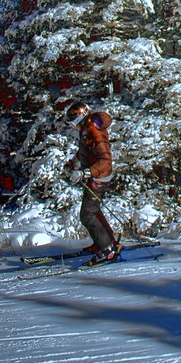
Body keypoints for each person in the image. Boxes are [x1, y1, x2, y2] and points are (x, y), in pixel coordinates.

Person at [65, 100, 120, 265]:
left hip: (99, 178)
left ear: (80, 116)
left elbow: (106, 161)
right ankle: (106, 243)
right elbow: (85, 150)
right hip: (96, 176)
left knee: (87, 215)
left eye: (72, 118)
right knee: (93, 211)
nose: (70, 122)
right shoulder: (87, 130)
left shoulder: (94, 132)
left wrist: (85, 173)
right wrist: (73, 163)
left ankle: (107, 249)